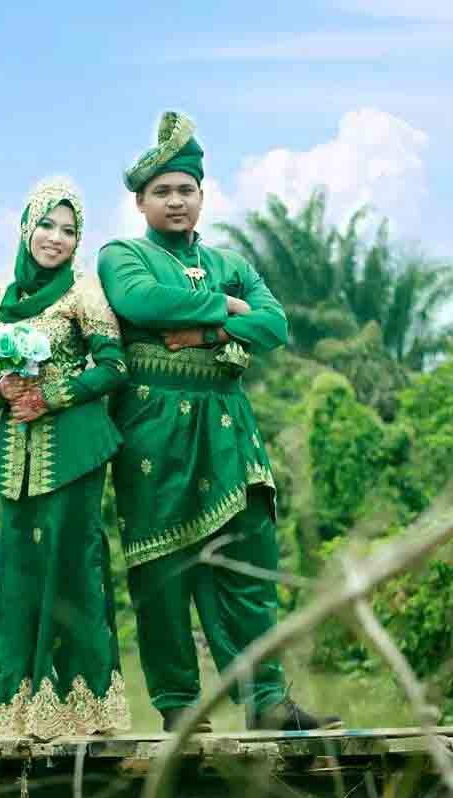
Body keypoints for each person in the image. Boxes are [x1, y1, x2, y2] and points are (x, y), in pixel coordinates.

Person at [98, 112, 341, 732]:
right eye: (162, 191)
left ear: (202, 196)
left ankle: (268, 702)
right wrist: (230, 309)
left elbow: (274, 325)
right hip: (153, 429)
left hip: (229, 426)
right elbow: (141, 301)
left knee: (250, 562)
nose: (176, 201)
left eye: (186, 189)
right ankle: (180, 709)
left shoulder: (230, 260)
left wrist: (207, 332)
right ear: (140, 202)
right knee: (160, 574)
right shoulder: (123, 256)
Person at [0, 177, 131, 739]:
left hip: (74, 451)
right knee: (16, 570)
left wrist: (53, 395)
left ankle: (80, 709)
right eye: (46, 225)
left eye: (69, 230)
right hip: (17, 454)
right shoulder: (2, 296)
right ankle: (10, 710)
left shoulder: (84, 291)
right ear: (25, 227)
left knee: (71, 564)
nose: (56, 238)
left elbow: (114, 366)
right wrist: (3, 387)